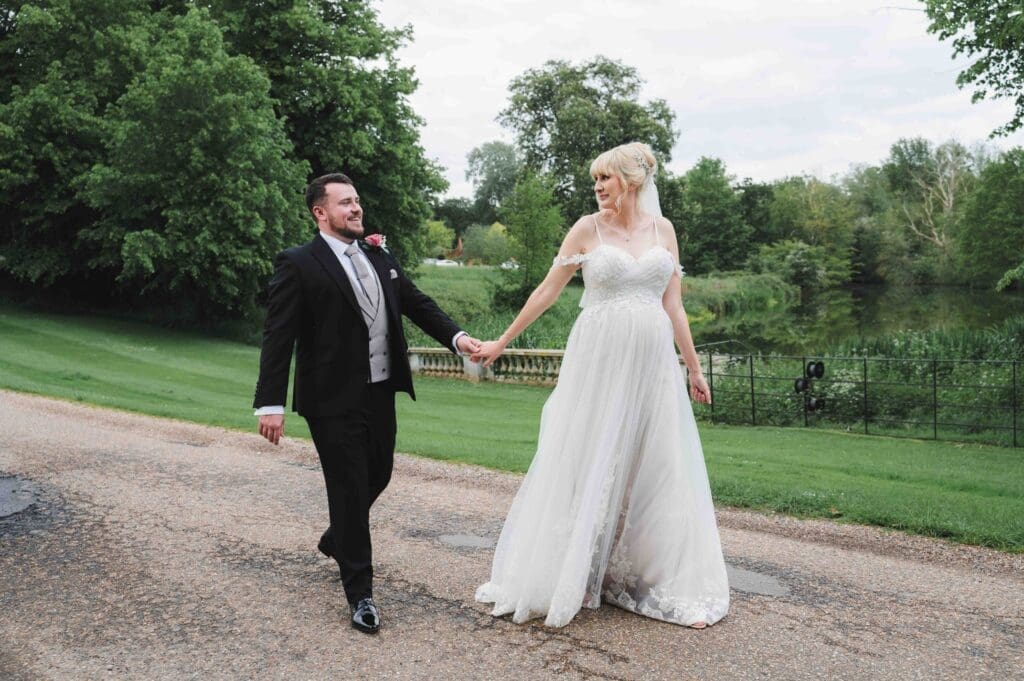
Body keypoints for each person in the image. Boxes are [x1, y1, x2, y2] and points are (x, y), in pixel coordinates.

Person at [472, 142, 729, 629]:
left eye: (604, 179)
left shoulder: (664, 231)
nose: (597, 188)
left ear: (631, 181)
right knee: (588, 453)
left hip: (652, 360)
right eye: (595, 181)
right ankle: (573, 568)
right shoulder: (587, 228)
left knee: (653, 461)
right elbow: (548, 290)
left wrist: (693, 368)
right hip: (599, 359)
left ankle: (644, 575)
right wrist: (503, 340)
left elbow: (673, 305)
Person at [253, 173, 481, 634]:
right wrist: (269, 403)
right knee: (350, 487)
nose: (356, 208)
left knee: (379, 473)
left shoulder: (378, 255)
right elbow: (279, 335)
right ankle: (361, 595)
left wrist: (458, 338)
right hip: (330, 399)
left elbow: (416, 303)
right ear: (320, 213)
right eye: (344, 203)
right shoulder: (299, 263)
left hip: (380, 390)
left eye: (357, 200)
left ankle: (339, 536)